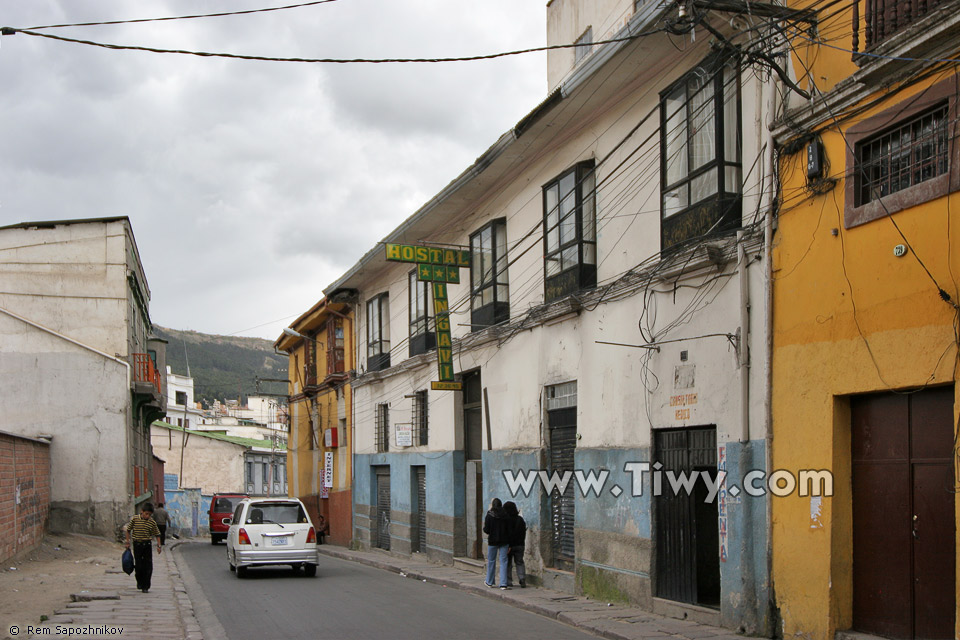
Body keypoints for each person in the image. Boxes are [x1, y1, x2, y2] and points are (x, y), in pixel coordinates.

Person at [125, 503, 162, 593]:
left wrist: (159, 545)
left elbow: (157, 534)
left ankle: (146, 586)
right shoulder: (135, 519)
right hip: (137, 545)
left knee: (148, 566)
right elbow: (128, 530)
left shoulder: (152, 522)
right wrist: (127, 541)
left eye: (149, 514)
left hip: (147, 545)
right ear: (142, 512)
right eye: (146, 514)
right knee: (139, 566)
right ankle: (140, 582)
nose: (147, 516)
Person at [482, 498, 510, 589]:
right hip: (504, 541)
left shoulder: (489, 515)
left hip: (493, 541)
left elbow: (486, 529)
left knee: (491, 561)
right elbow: (509, 529)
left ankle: (489, 582)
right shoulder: (506, 515)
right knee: (504, 562)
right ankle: (503, 584)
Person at [503, 501, 526, 588]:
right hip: (520, 545)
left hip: (509, 545)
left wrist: (508, 545)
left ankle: (509, 581)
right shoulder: (520, 519)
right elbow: (523, 531)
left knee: (508, 564)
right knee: (520, 562)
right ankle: (522, 578)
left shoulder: (506, 520)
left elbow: (507, 533)